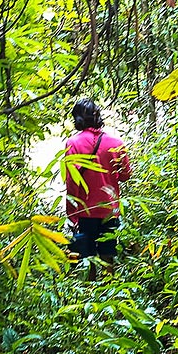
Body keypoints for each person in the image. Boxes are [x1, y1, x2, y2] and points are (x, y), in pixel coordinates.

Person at [65, 98, 131, 280]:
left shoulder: (73, 143)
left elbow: (72, 182)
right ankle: (109, 292)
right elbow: (125, 175)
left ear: (78, 119)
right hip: (110, 211)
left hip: (85, 212)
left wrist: (72, 214)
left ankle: (91, 296)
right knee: (108, 257)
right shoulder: (116, 142)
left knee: (88, 260)